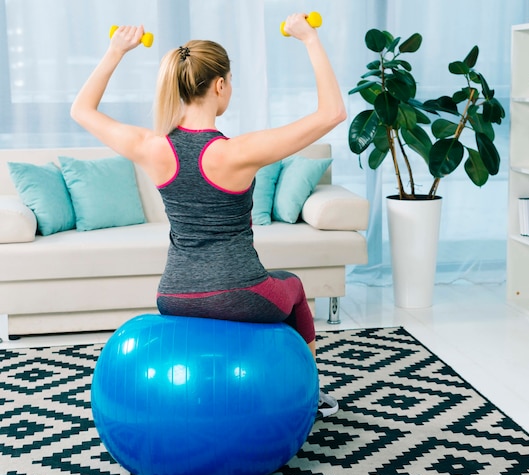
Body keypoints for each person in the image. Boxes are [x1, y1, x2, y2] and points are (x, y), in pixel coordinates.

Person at [71, 15, 346, 419]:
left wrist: (116, 51)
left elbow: (81, 109)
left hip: (174, 295)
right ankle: (310, 393)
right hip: (240, 292)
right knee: (294, 286)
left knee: (270, 289)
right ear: (219, 85)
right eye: (230, 82)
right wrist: (309, 38)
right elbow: (333, 112)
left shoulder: (151, 146)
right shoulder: (238, 152)